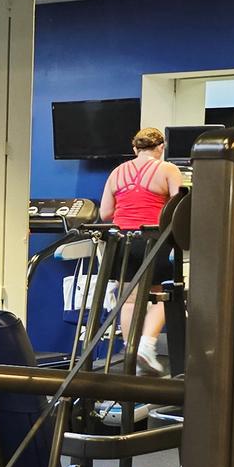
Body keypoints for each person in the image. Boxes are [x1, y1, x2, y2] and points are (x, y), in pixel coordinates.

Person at [97, 126, 183, 373]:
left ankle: (131, 352)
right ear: (161, 147)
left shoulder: (117, 172)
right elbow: (179, 209)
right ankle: (146, 345)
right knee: (164, 296)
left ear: (135, 148)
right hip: (152, 238)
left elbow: (105, 213)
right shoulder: (168, 169)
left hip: (122, 240)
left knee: (129, 300)